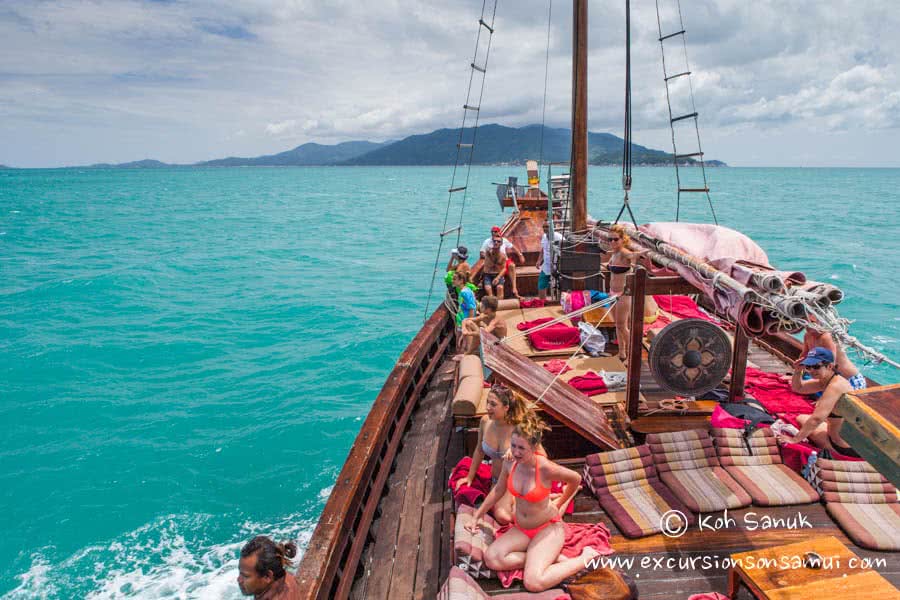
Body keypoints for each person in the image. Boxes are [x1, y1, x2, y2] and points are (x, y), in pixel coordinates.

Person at [465, 415, 597, 592]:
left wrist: (559, 504)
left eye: (521, 448)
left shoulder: (545, 468)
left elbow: (576, 478)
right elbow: (497, 491)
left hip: (547, 528)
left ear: (534, 447)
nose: (516, 452)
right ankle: (544, 558)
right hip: (522, 529)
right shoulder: (510, 463)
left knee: (533, 582)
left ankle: (584, 558)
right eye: (513, 446)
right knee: (491, 558)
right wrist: (476, 516)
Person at [454, 384, 531, 524]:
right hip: (497, 482)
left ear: (506, 407)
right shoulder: (485, 421)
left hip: (518, 481)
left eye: (493, 404)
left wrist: (517, 450)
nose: (487, 407)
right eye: (487, 402)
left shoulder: (519, 429)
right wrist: (470, 477)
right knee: (504, 517)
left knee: (506, 518)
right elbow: (479, 450)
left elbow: (539, 456)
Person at [778, 347, 861, 458]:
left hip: (841, 446)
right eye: (808, 366)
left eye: (816, 367)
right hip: (847, 438)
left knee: (806, 420)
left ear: (830, 366)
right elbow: (798, 388)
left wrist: (795, 439)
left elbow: (817, 419)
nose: (811, 371)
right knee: (801, 418)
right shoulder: (828, 380)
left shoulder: (836, 386)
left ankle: (834, 449)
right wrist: (798, 371)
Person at [605, 224, 649, 363]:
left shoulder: (624, 253)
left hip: (623, 294)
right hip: (612, 293)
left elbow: (632, 255)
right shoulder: (614, 253)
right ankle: (621, 353)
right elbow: (611, 268)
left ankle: (632, 355)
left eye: (615, 239)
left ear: (623, 239)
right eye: (610, 239)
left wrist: (641, 253)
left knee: (622, 325)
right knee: (617, 325)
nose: (612, 242)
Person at [797, 319, 866, 391]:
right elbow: (804, 356)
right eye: (806, 322)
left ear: (821, 322)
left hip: (851, 380)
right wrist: (798, 373)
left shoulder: (826, 337)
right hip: (832, 378)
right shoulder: (807, 336)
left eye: (812, 322)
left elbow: (832, 365)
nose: (808, 325)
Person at [481, 226, 525, 298]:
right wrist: (489, 257)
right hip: (493, 263)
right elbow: (482, 252)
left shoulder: (504, 240)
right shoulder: (487, 242)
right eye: (492, 232)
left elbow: (513, 247)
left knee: (511, 266)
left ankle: (514, 288)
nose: (493, 233)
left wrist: (520, 255)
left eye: (495, 232)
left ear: (499, 232)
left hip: (503, 261)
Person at [536, 221, 563, 300]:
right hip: (546, 265)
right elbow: (543, 249)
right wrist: (539, 260)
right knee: (541, 284)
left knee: (560, 285)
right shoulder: (544, 236)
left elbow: (565, 250)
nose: (545, 229)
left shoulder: (559, 237)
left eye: (547, 227)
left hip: (557, 265)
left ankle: (560, 301)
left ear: (552, 227)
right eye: (544, 227)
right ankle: (542, 302)